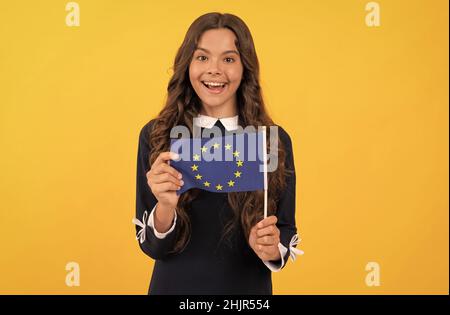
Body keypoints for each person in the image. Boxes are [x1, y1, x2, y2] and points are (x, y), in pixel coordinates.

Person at [133, 12, 303, 295]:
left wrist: (272, 246)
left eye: (228, 59)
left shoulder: (272, 141)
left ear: (245, 67)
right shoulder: (156, 136)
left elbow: (286, 230)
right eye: (202, 57)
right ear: (187, 64)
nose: (214, 69)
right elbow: (151, 246)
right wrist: (165, 206)